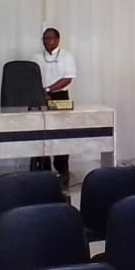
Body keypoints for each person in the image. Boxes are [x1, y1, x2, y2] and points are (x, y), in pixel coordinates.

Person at [33, 27, 77, 186]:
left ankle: (62, 170)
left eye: (50, 38)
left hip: (60, 96)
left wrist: (48, 90)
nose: (47, 41)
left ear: (58, 40)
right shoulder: (36, 57)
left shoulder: (67, 56)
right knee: (40, 133)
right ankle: (41, 170)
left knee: (61, 134)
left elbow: (68, 78)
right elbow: (32, 77)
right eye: (45, 38)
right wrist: (41, 92)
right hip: (39, 97)